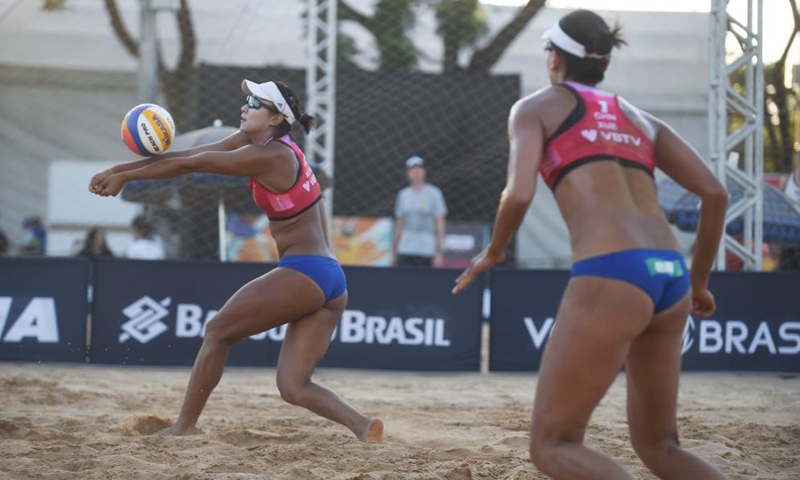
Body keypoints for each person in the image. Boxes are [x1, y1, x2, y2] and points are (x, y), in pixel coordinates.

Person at [452, 10, 730, 480]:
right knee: (661, 446)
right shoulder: (640, 119)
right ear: (602, 64)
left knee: (554, 445)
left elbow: (518, 193)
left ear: (556, 58)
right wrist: (698, 281)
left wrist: (496, 249)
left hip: (614, 271)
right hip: (670, 275)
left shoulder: (535, 108)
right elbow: (716, 194)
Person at [89, 79, 382, 442]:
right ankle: (364, 426)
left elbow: (194, 163)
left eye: (255, 102)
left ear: (275, 118)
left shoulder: (271, 156)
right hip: (330, 278)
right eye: (247, 99)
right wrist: (119, 170)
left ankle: (184, 427)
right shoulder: (273, 147)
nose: (245, 105)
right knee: (293, 386)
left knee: (217, 331)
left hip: (305, 271)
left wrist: (125, 177)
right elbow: (188, 157)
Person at [392, 155, 448, 267]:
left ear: (424, 171)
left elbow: (440, 224)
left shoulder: (434, 194)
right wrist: (394, 252)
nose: (416, 172)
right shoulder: (403, 195)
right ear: (408, 173)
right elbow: (399, 225)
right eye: (413, 169)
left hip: (427, 251)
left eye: (420, 168)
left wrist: (439, 252)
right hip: (405, 249)